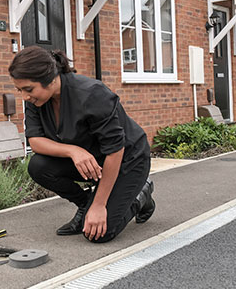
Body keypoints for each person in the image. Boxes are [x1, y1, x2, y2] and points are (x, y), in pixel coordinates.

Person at [10, 46, 154, 243]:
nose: (25, 96)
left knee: (99, 234)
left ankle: (142, 193)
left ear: (51, 79)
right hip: (92, 161)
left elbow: (115, 150)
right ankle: (86, 204)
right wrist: (73, 151)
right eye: (20, 90)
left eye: (28, 89)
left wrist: (100, 205)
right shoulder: (36, 100)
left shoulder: (92, 93)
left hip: (127, 161)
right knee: (38, 166)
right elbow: (35, 141)